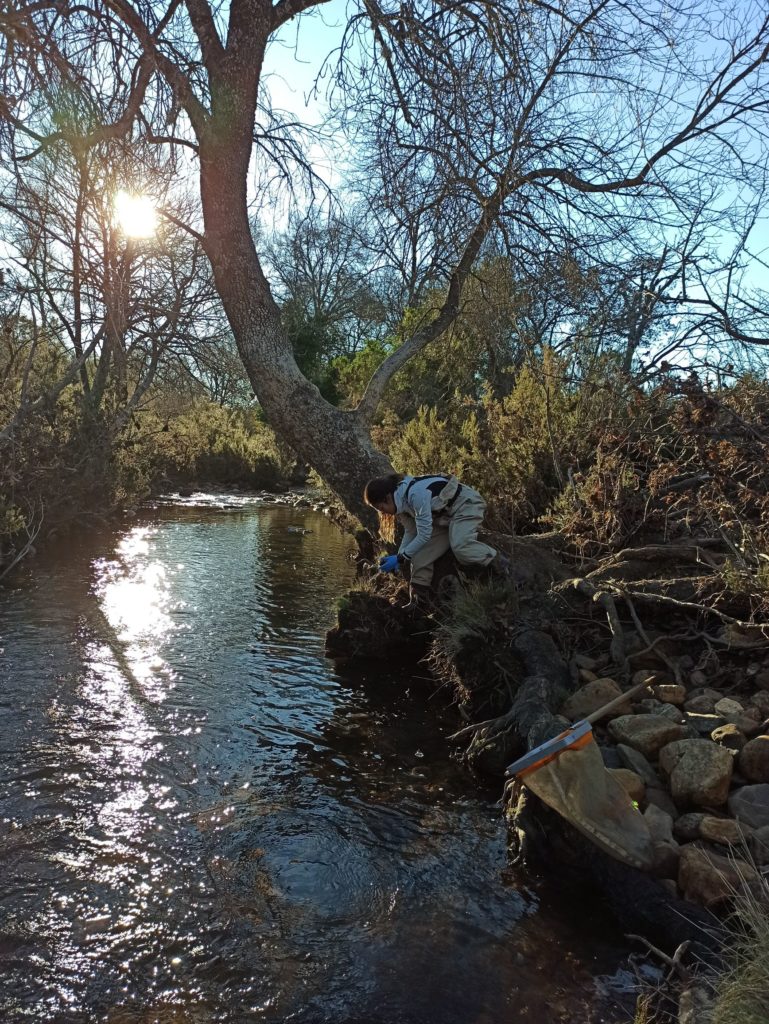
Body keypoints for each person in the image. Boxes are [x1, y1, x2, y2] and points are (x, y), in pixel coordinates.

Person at [363, 472, 512, 606]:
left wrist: (400, 558)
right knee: (419, 558)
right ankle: (418, 602)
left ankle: (501, 564)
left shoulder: (415, 495)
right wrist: (399, 556)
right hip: (443, 520)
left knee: (461, 547)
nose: (384, 513)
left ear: (388, 497)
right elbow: (411, 531)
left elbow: (424, 535)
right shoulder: (399, 506)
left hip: (465, 506)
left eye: (381, 508)